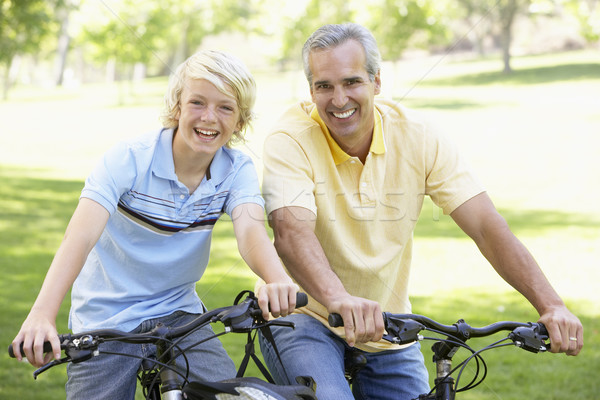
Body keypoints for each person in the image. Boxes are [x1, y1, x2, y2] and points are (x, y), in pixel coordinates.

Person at [257, 23, 584, 400]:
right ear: (311, 89)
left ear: (377, 81)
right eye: (324, 86)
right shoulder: (290, 138)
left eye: (352, 82)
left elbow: (485, 225)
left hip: (387, 326)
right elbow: (291, 233)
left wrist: (551, 305)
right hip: (303, 318)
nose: (339, 98)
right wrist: (338, 300)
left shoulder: (419, 135)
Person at [11, 49, 299, 399]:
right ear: (177, 107)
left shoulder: (237, 170)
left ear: (240, 121)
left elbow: (251, 233)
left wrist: (278, 279)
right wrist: (42, 313)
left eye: (225, 107)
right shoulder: (129, 159)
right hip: (106, 319)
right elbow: (80, 236)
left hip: (181, 315)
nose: (209, 118)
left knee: (227, 394)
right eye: (197, 103)